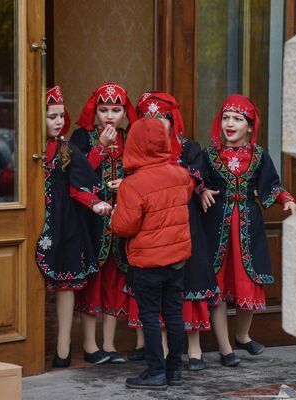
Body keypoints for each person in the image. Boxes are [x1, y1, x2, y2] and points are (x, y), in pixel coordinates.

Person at [199, 94, 296, 367]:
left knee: (248, 282)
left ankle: (242, 335)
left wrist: (286, 198)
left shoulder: (259, 156)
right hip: (216, 228)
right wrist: (202, 190)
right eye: (226, 118)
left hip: (246, 228)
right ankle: (225, 348)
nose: (230, 124)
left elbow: (272, 185)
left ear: (250, 126)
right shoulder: (208, 155)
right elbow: (195, 181)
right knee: (217, 285)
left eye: (238, 119)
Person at [136, 92, 219, 371]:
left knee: (190, 284)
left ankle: (194, 349)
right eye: (149, 118)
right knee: (157, 292)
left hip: (185, 224)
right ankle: (162, 350)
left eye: (162, 118)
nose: (157, 124)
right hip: (152, 227)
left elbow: (194, 180)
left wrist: (202, 189)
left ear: (173, 120)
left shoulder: (189, 148)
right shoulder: (140, 150)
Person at [111, 118, 194, 391]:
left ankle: (155, 372)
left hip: (148, 261)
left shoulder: (133, 185)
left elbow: (125, 227)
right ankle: (175, 370)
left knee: (149, 314)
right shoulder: (181, 174)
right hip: (177, 259)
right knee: (174, 313)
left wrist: (113, 216)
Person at [36, 85, 112, 368]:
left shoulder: (66, 148)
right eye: (50, 116)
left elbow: (80, 182)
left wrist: (95, 203)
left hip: (64, 225)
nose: (57, 121)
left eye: (60, 116)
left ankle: (63, 348)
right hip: (33, 224)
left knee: (65, 284)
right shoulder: (27, 150)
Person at [70, 82, 138, 364]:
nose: (110, 116)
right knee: (92, 281)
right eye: (103, 110)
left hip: (121, 219)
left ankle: (109, 345)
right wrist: (100, 147)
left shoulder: (130, 138)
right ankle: (89, 345)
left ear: (125, 112)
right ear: (94, 112)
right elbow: (74, 172)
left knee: (116, 279)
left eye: (116, 110)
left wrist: (127, 183)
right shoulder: (82, 137)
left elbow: (141, 171)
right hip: (90, 219)